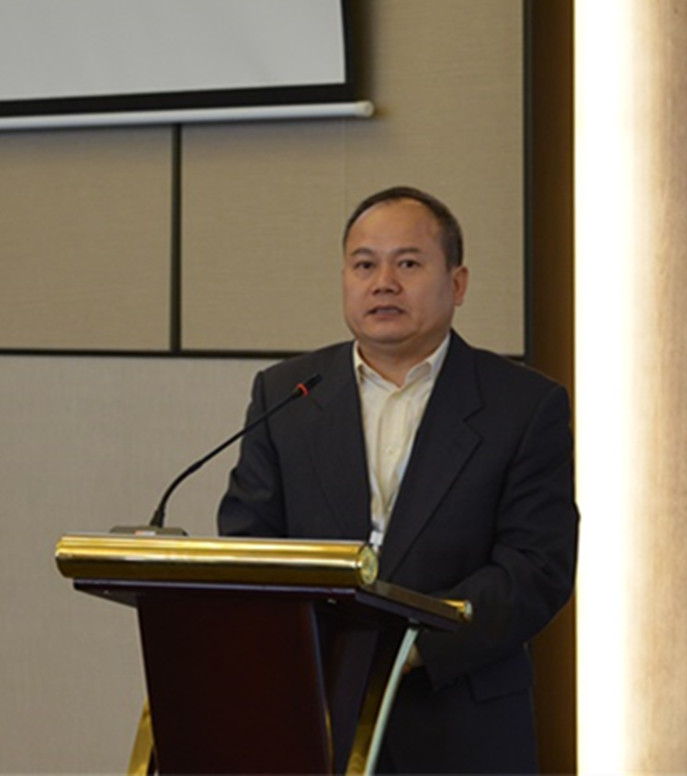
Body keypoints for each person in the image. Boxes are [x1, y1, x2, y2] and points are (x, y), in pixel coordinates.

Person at [218, 186, 579, 774]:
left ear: (457, 283)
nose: (383, 283)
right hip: (315, 719)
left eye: (408, 264)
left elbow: (536, 568)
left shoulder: (524, 406)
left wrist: (407, 647)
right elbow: (249, 541)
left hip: (460, 723)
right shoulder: (286, 393)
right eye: (364, 265)